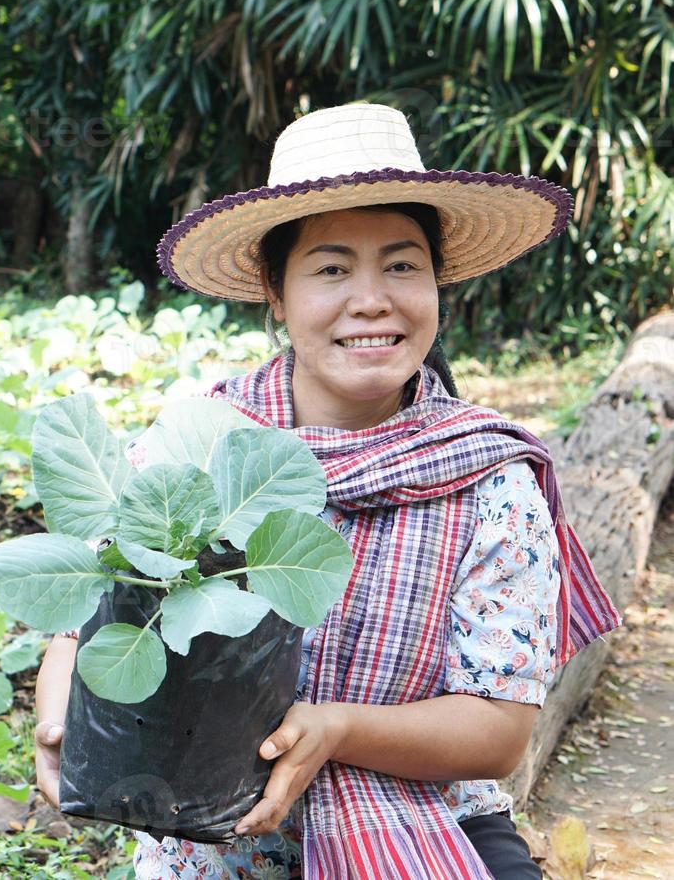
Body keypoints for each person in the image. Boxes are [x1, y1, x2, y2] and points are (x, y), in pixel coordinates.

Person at [30, 103, 622, 879]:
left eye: (403, 265)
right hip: (208, 831)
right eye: (333, 268)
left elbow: (500, 733)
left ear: (437, 284)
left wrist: (337, 729)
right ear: (275, 294)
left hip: (425, 818)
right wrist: (56, 719)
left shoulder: (490, 475)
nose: (372, 299)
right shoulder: (196, 450)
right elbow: (80, 628)